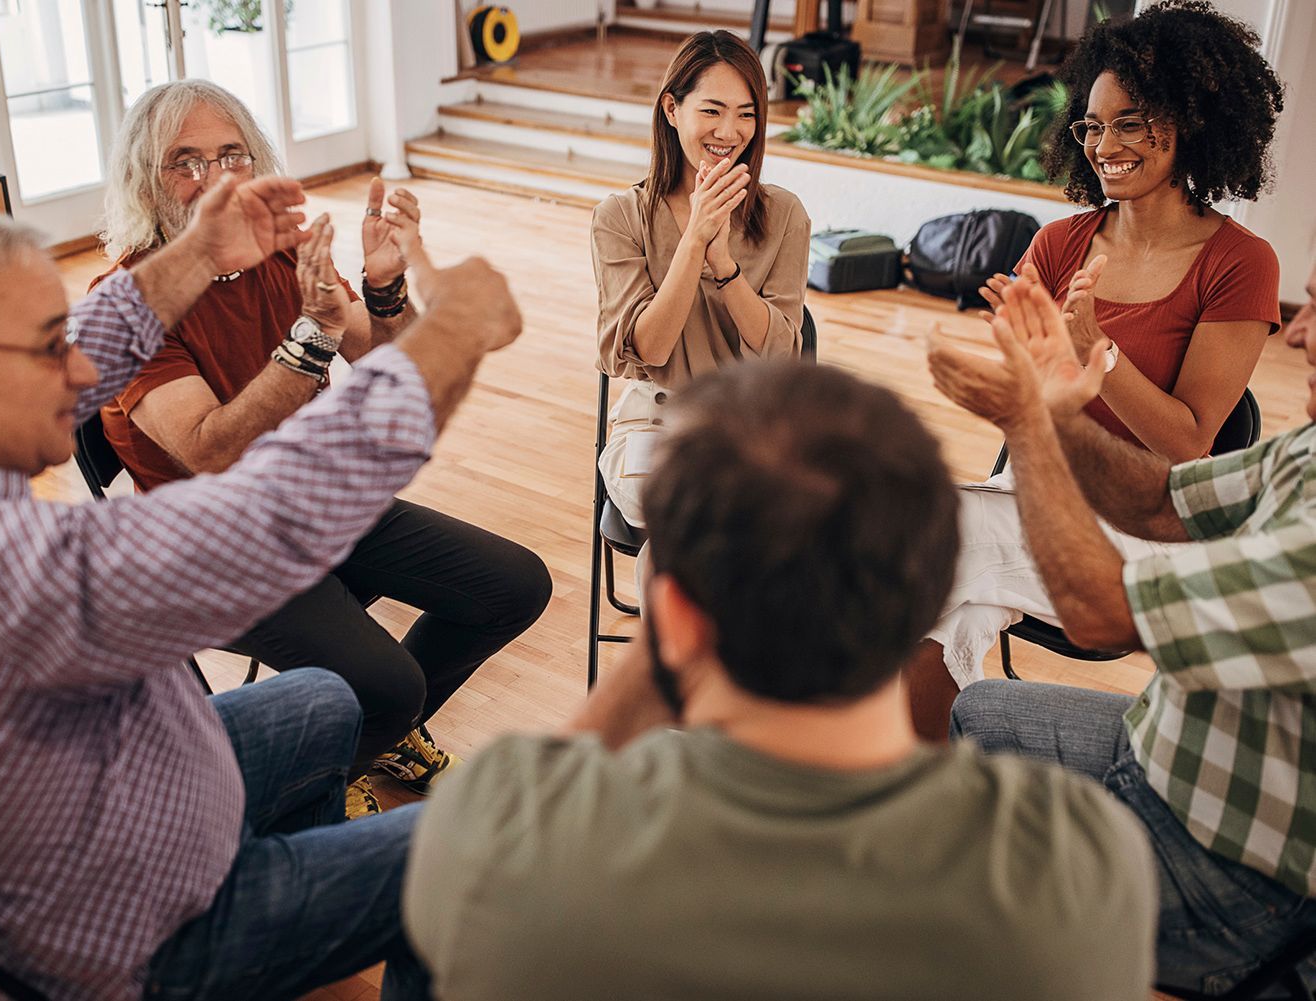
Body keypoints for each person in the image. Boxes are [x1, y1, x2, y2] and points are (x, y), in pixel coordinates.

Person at [0, 187, 523, 999]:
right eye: (48, 349)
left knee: (325, 700)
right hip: (127, 943)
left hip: (102, 795)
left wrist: (198, 250)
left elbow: (93, 340)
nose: (79, 371)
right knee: (480, 839)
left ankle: (296, 947)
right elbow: (266, 516)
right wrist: (450, 334)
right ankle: (272, 932)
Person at [403, 360, 1157, 1001]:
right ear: (932, 591)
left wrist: (655, 651)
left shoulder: (497, 827)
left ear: (677, 616)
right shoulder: (1078, 859)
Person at [97, 80, 552, 813]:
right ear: (145, 182)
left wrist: (384, 286)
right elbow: (210, 448)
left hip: (316, 500)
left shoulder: (282, 255)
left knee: (515, 586)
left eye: (231, 156)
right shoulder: (127, 304)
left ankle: (370, 739)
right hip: (214, 550)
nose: (216, 180)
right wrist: (314, 336)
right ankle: (316, 783)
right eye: (186, 162)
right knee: (390, 684)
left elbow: (388, 358)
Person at [929, 261, 1316, 995]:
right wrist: (1059, 410)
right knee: (979, 711)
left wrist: (1030, 424)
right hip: (1176, 748)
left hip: (1242, 880)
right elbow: (1164, 501)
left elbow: (1102, 612)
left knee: (965, 896)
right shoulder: (1310, 452)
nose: (1298, 334)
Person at [906, 0, 1286, 739]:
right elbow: (1030, 407)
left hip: (1148, 523)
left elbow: (1189, 445)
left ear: (1191, 122)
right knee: (940, 595)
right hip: (1039, 494)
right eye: (1091, 125)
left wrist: (1097, 351)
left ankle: (861, 774)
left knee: (930, 551)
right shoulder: (1058, 244)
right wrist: (1020, 368)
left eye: (1130, 123)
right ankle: (906, 781)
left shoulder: (1241, 263)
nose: (1104, 145)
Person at [593, 29, 811, 531]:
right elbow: (649, 349)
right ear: (672, 109)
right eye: (712, 110)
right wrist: (694, 241)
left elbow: (781, 356)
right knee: (709, 512)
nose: (729, 132)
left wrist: (724, 265)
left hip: (752, 422)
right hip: (656, 421)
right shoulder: (620, 217)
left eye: (746, 114)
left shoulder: (785, 214)